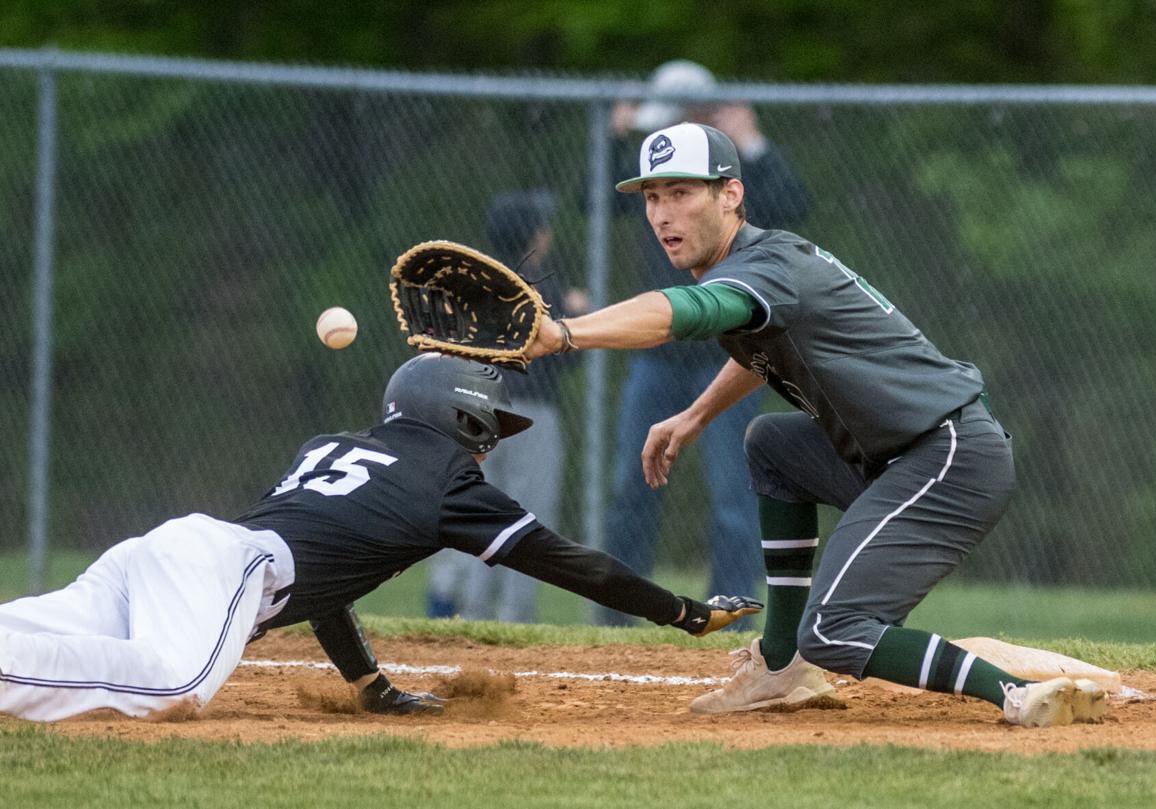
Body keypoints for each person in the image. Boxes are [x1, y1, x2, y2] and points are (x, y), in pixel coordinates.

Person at [525, 122, 1107, 727]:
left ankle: (1016, 694)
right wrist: (695, 415)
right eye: (652, 197)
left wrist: (564, 334)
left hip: (948, 459)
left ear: (731, 195)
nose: (663, 213)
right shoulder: (756, 266)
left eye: (682, 192)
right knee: (772, 443)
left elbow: (683, 314)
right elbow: (760, 347)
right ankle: (781, 667)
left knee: (834, 630)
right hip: (899, 457)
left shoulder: (764, 268)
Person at [0, 353, 758, 722]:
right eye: (487, 429)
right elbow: (571, 563)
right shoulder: (447, 483)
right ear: (461, 421)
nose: (489, 447)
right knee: (173, 687)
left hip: (174, 547)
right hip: (230, 566)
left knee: (55, 620)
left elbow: (331, 577)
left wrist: (369, 684)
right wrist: (681, 612)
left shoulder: (334, 444)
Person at [597, 59, 809, 626]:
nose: (664, 211)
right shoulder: (656, 174)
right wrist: (617, 138)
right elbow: (592, 203)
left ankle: (730, 611)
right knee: (631, 491)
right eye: (655, 198)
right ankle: (617, 614)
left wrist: (754, 144)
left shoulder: (727, 179)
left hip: (731, 358)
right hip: (657, 359)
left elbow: (794, 204)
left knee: (736, 498)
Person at [425, 190, 589, 623]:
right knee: (527, 517)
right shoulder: (543, 288)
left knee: (469, 509)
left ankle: (462, 608)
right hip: (532, 415)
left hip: (470, 412)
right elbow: (568, 358)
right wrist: (577, 312)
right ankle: (514, 615)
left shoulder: (471, 283)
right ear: (533, 235)